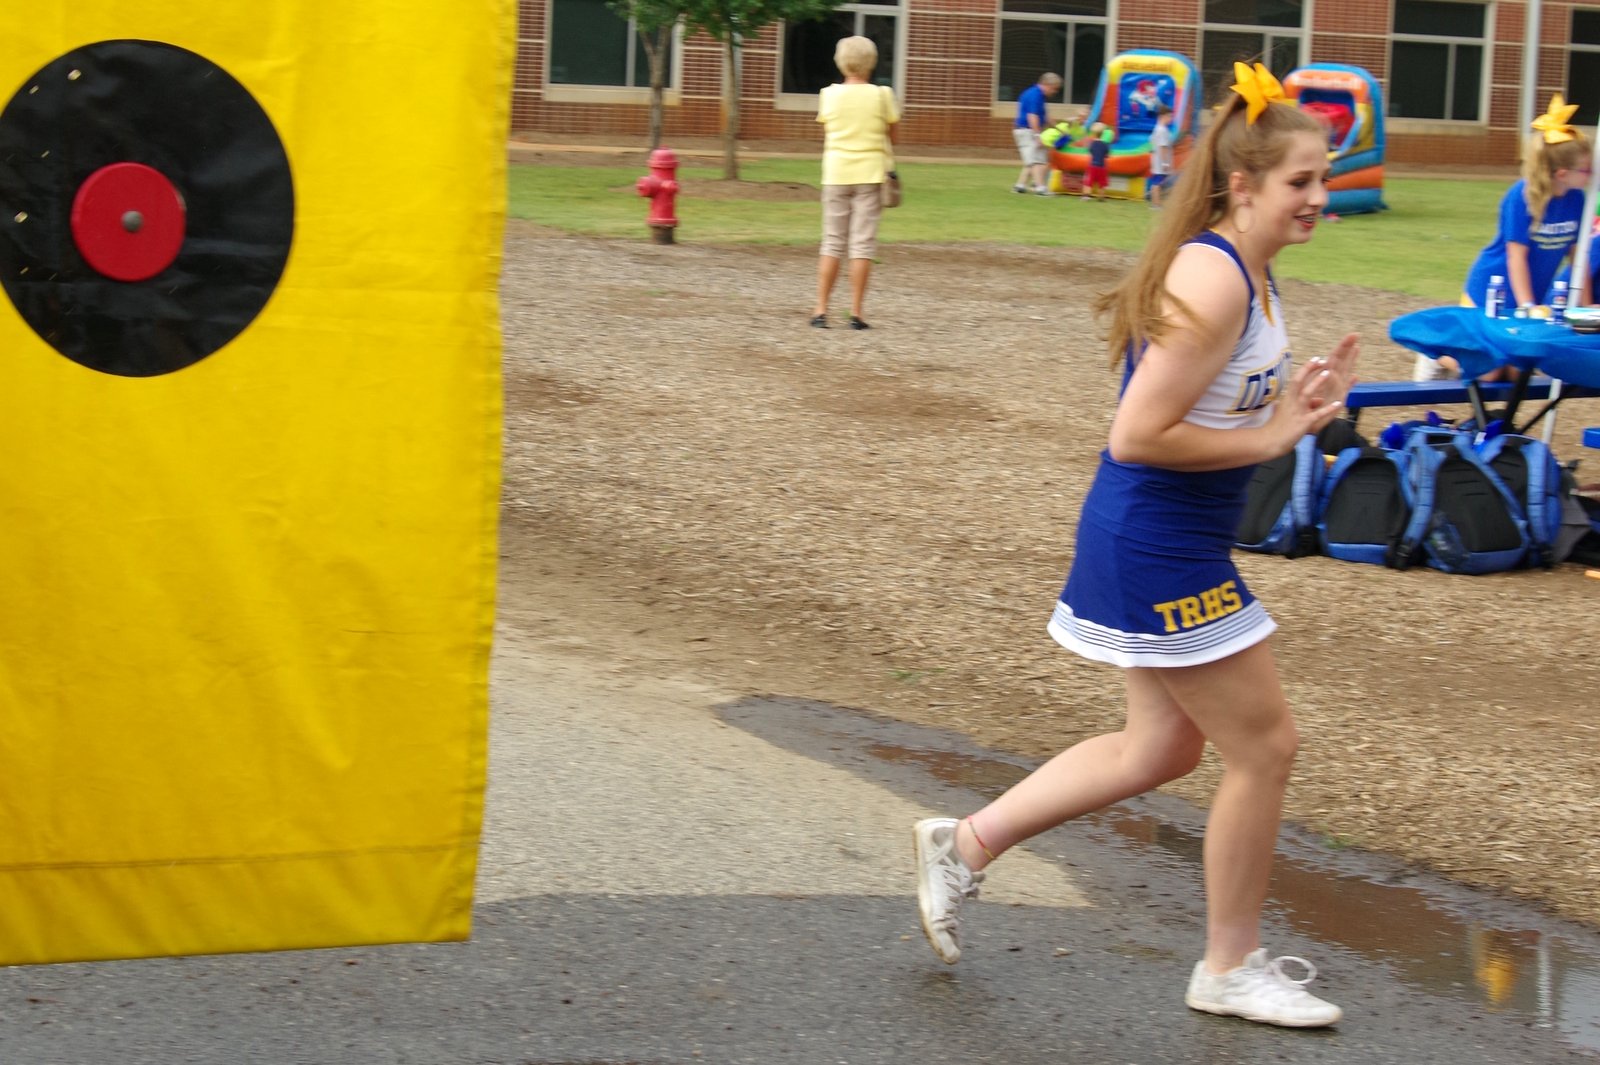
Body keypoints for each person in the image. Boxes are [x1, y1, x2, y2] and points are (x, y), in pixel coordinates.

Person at [912, 61, 1360, 1029]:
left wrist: (1288, 409)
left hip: (1164, 536)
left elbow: (1203, 406)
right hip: (1159, 543)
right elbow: (1138, 434)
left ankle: (967, 843)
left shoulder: (1248, 269)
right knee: (1266, 747)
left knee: (1160, 745)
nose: (1319, 197)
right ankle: (1227, 966)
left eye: (1324, 178)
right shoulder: (1214, 275)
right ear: (1242, 184)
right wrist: (1270, 439)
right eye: (1300, 181)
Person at [1415, 94, 1592, 382]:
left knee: (1517, 371)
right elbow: (1516, 257)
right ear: (1562, 173)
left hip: (1529, 293)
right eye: (1586, 169)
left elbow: (1578, 257)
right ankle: (1436, 354)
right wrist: (1527, 307)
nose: (1592, 174)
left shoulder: (1577, 200)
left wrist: (1586, 307)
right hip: (1492, 289)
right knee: (1491, 372)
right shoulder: (1522, 196)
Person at [810, 36, 898, 330]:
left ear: (841, 62)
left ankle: (820, 309)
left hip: (836, 173)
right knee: (862, 244)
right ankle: (857, 313)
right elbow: (892, 135)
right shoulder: (883, 95)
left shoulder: (828, 94)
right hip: (870, 174)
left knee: (832, 241)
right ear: (871, 62)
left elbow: (828, 132)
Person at [1013, 73, 1062, 196]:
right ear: (1047, 84)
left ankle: (1020, 185)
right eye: (1054, 88)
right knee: (1035, 160)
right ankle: (1040, 188)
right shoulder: (1035, 95)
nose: (1055, 92)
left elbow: (1045, 116)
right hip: (1027, 131)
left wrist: (1059, 129)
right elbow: (1032, 116)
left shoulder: (1038, 95)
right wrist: (1037, 135)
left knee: (1035, 159)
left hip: (1028, 130)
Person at [1076, 122, 1114, 200]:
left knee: (1088, 181)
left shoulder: (1092, 144)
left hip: (1092, 166)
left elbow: (1090, 152)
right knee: (1102, 183)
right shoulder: (1105, 145)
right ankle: (1101, 197)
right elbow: (1107, 155)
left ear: (1093, 133)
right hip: (1102, 167)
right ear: (1103, 134)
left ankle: (1086, 196)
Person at [1147, 106, 1175, 208]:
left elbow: (1151, 143)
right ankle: (1156, 204)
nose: (1171, 119)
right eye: (1169, 116)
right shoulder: (1162, 130)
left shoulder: (1157, 129)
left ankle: (1156, 203)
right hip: (1160, 162)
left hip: (1156, 160)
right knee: (1157, 183)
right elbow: (1163, 147)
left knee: (1156, 182)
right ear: (1163, 116)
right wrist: (1165, 163)